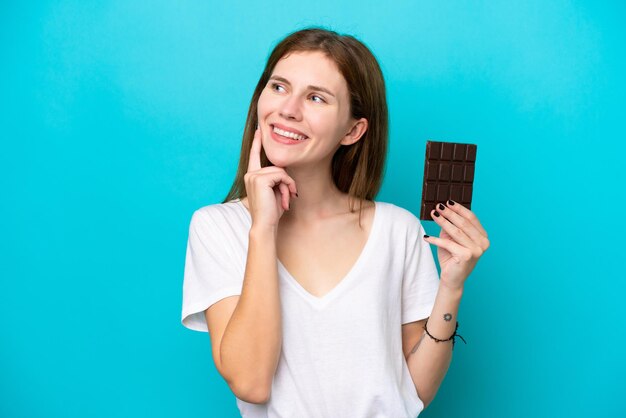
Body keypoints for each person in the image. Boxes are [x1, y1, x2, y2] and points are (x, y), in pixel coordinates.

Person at [181, 27, 490, 417]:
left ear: (353, 130)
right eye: (278, 87)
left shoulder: (398, 230)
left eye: (315, 97)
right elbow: (251, 382)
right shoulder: (217, 228)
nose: (289, 109)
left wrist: (451, 287)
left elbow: (414, 393)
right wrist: (263, 229)